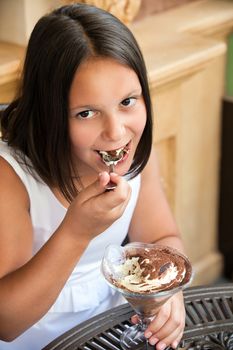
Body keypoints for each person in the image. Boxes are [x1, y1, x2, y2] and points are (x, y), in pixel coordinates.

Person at [0, 3, 186, 350]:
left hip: (111, 328)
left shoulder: (136, 155)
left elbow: (163, 236)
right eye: (86, 113)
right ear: (49, 114)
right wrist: (76, 230)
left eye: (128, 102)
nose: (116, 133)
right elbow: (7, 322)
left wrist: (167, 292)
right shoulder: (10, 178)